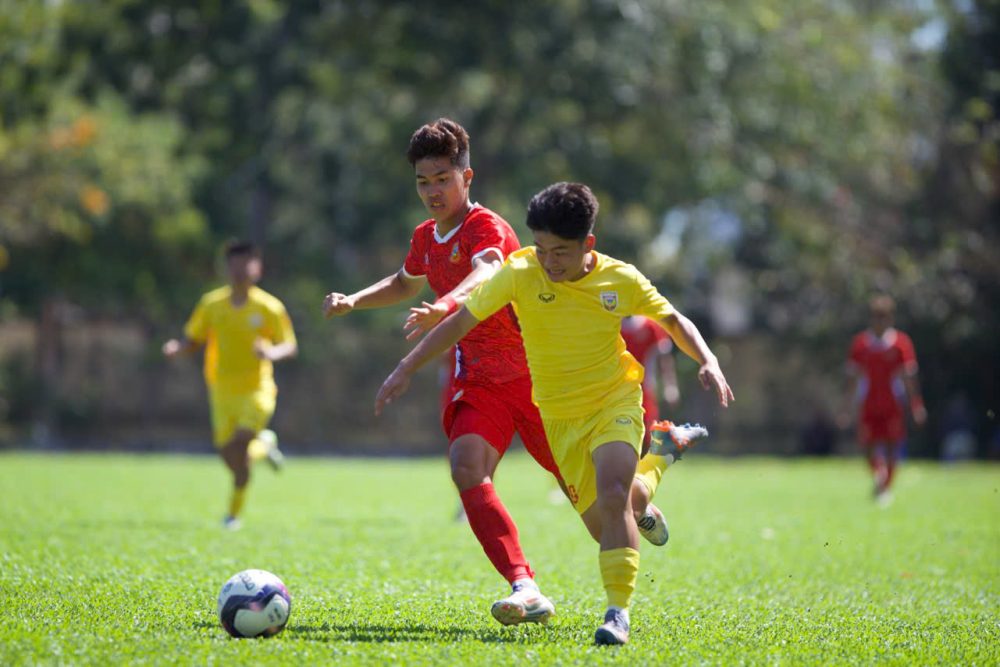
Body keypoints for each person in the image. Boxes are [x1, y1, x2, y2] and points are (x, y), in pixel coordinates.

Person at [375, 182, 733, 645]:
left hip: (614, 402)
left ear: (589, 245)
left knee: (613, 491)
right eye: (541, 249)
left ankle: (616, 614)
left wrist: (708, 359)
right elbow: (463, 320)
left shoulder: (618, 279)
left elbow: (673, 320)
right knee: (613, 518)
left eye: (560, 252)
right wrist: (405, 368)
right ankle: (662, 454)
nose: (549, 262)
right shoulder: (521, 269)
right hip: (559, 419)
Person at [323, 118, 562, 626]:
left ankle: (646, 484)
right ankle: (525, 586)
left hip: (536, 375)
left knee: (596, 496)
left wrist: (447, 303)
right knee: (466, 466)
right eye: (422, 181)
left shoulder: (486, 227)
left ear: (466, 177)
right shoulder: (426, 236)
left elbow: (488, 271)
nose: (432, 190)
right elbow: (405, 281)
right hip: (481, 380)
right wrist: (354, 301)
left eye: (442, 179)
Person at [163, 240, 297, 530]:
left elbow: (289, 345)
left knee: (240, 441)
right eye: (234, 264)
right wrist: (177, 348)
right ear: (226, 268)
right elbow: (194, 339)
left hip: (256, 388)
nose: (240, 270)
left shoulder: (269, 306)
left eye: (246, 263)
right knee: (233, 459)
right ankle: (264, 446)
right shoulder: (212, 304)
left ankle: (233, 516)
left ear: (257, 268)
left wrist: (271, 353)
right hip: (221, 389)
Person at [842, 294, 926, 505]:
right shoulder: (860, 344)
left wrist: (916, 405)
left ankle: (885, 487)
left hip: (892, 403)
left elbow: (908, 377)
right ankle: (879, 478)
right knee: (868, 445)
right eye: (876, 317)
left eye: (884, 317)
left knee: (891, 445)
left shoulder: (901, 343)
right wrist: (846, 407)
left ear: (890, 318)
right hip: (869, 403)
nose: (880, 322)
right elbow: (853, 378)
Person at [620, 315, 681, 453]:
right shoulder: (610, 324)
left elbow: (664, 358)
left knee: (647, 435)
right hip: (616, 392)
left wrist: (670, 386)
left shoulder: (650, 326)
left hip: (645, 391)